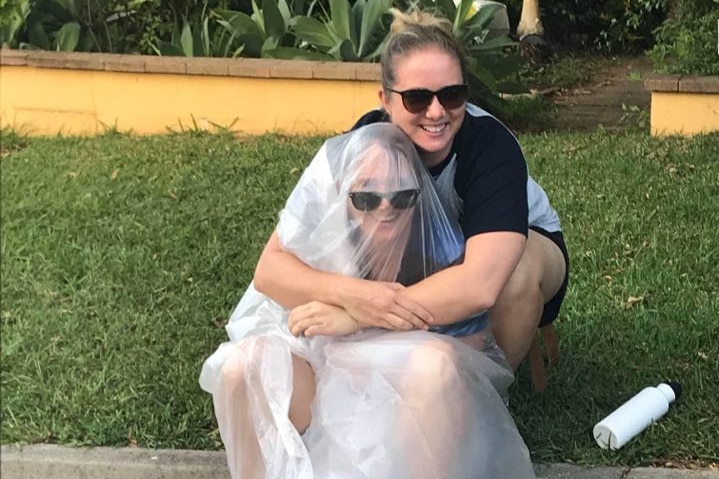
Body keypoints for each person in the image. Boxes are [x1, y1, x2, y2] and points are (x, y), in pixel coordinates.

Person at [200, 123, 536, 478]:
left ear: (420, 195)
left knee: (435, 364)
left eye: (402, 196)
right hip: (326, 384)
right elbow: (278, 293)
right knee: (243, 366)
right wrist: (352, 299)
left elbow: (473, 345)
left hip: (410, 405)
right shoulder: (327, 247)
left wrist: (362, 321)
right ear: (345, 195)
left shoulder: (438, 249)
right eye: (367, 198)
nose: (385, 208)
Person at [253, 6, 569, 371]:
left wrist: (361, 316)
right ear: (385, 100)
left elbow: (481, 285)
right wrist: (353, 295)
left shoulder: (491, 147)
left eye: (451, 95)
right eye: (417, 98)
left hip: (506, 253)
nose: (436, 112)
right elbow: (270, 270)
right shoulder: (358, 149)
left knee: (516, 276)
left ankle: (489, 392)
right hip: (413, 265)